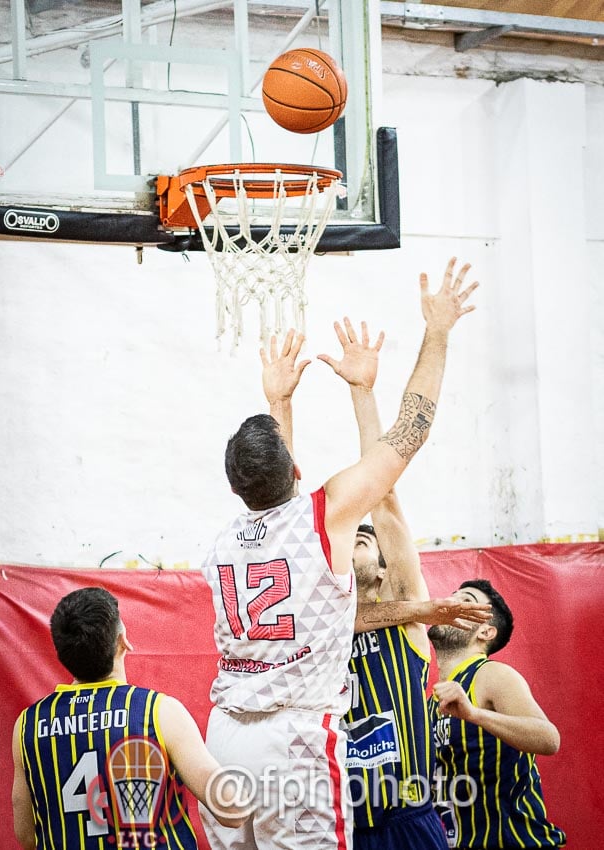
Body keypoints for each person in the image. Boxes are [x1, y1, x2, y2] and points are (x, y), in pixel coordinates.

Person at [199, 258, 479, 850]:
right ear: (298, 472)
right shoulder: (322, 519)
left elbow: (278, 496)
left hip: (224, 737)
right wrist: (437, 332)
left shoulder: (223, 540)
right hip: (295, 737)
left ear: (234, 488)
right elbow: (411, 430)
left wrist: (279, 403)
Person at [318, 317, 490, 850]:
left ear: (387, 569)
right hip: (336, 820)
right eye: (355, 537)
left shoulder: (413, 616)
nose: (360, 537)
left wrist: (363, 393)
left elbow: (384, 496)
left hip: (405, 820)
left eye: (368, 541)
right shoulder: (319, 617)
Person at [11, 587, 249, 850]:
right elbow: (232, 811)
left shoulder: (28, 725)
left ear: (62, 655)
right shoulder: (158, 712)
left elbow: (26, 835)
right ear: (123, 641)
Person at [428, 580, 566, 849]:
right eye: (450, 597)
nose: (450, 604)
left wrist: (474, 714)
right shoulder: (435, 698)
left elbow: (549, 739)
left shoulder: (490, 674)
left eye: (465, 601)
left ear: (486, 632)